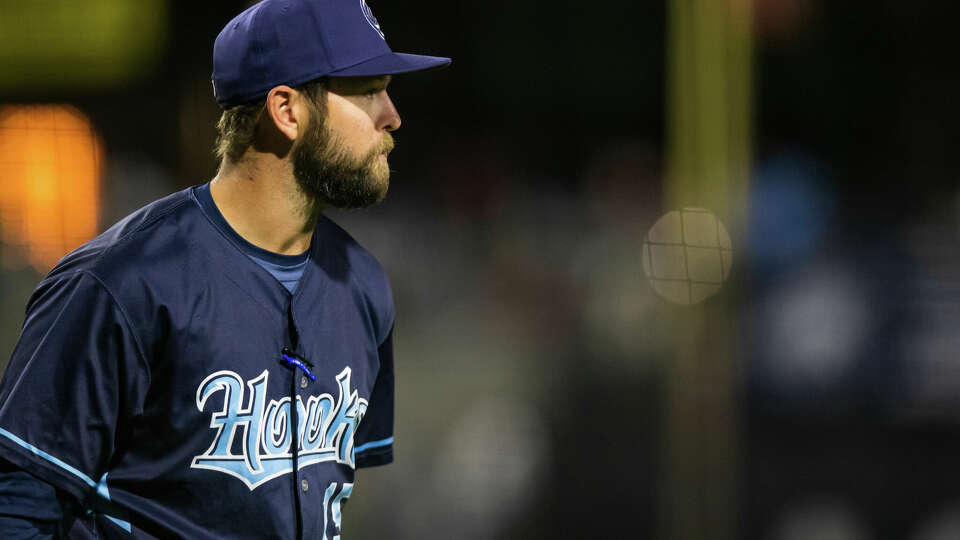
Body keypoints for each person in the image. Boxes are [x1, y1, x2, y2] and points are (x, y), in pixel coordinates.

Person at [0, 0, 449, 537]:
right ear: (286, 111)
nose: (392, 114)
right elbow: (19, 506)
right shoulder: (121, 282)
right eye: (368, 89)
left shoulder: (364, 285)